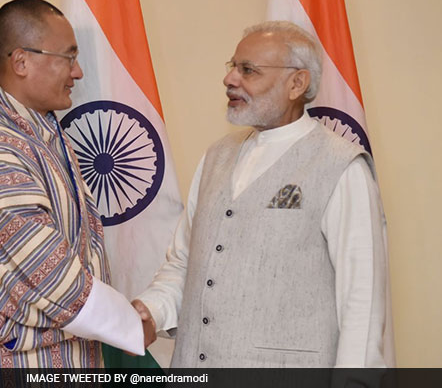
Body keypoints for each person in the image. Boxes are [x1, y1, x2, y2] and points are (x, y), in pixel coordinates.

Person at [133, 21, 393, 368]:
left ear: (297, 83)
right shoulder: (216, 156)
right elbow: (185, 264)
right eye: (233, 67)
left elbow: (363, 303)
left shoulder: (341, 166)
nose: (230, 79)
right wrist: (151, 310)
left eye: (249, 70)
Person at [0, 0, 146, 368]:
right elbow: (45, 274)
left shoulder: (42, 141)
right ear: (21, 62)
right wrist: (132, 324)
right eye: (68, 57)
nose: (78, 72)